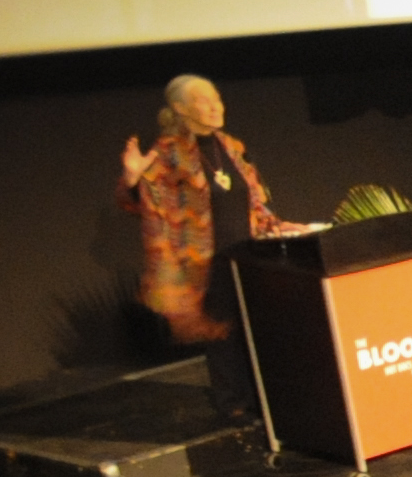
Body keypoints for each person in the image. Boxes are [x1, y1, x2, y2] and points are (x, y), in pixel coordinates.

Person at [117, 74, 287, 413]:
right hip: (204, 260)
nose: (214, 107)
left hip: (248, 253)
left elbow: (255, 198)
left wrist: (275, 227)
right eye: (203, 100)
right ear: (180, 108)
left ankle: (269, 404)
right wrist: (132, 179)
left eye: (217, 99)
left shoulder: (232, 147)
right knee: (223, 334)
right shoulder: (167, 152)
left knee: (260, 329)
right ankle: (234, 405)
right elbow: (140, 203)